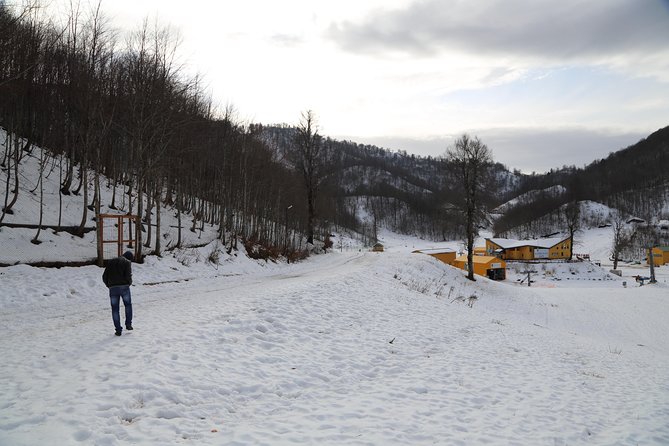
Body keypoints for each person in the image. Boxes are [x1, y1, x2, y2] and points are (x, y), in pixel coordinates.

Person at [103, 251, 134, 336]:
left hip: (113, 288)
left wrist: (109, 285)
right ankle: (128, 324)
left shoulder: (111, 262)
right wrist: (128, 283)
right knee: (128, 305)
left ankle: (118, 330)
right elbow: (128, 275)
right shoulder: (127, 262)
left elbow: (104, 276)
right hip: (124, 287)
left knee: (115, 309)